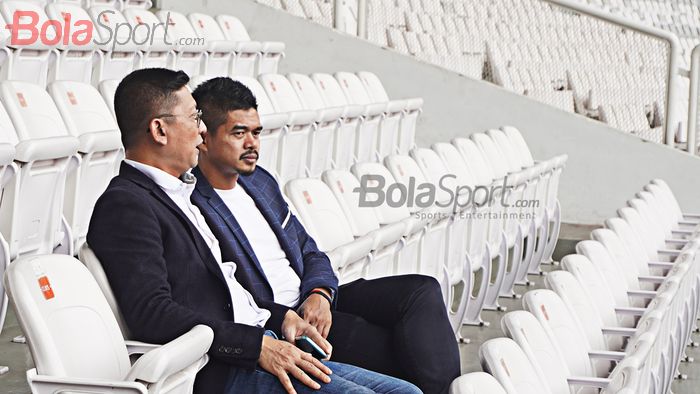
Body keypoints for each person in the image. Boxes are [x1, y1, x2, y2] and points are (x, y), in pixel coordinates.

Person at [86, 68, 421, 394]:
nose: (202, 132)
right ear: (159, 130)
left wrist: (282, 317)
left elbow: (226, 294)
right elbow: (152, 313)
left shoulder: (177, 194)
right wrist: (256, 346)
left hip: (263, 343)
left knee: (405, 391)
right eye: (193, 119)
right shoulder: (126, 205)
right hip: (215, 369)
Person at [190, 77, 461, 394]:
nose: (253, 144)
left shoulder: (259, 182)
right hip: (282, 321)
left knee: (420, 289)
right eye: (239, 133)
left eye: (257, 132)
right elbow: (224, 293)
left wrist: (320, 292)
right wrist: (291, 314)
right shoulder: (194, 203)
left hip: (311, 299)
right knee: (398, 349)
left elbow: (309, 250)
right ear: (204, 139)